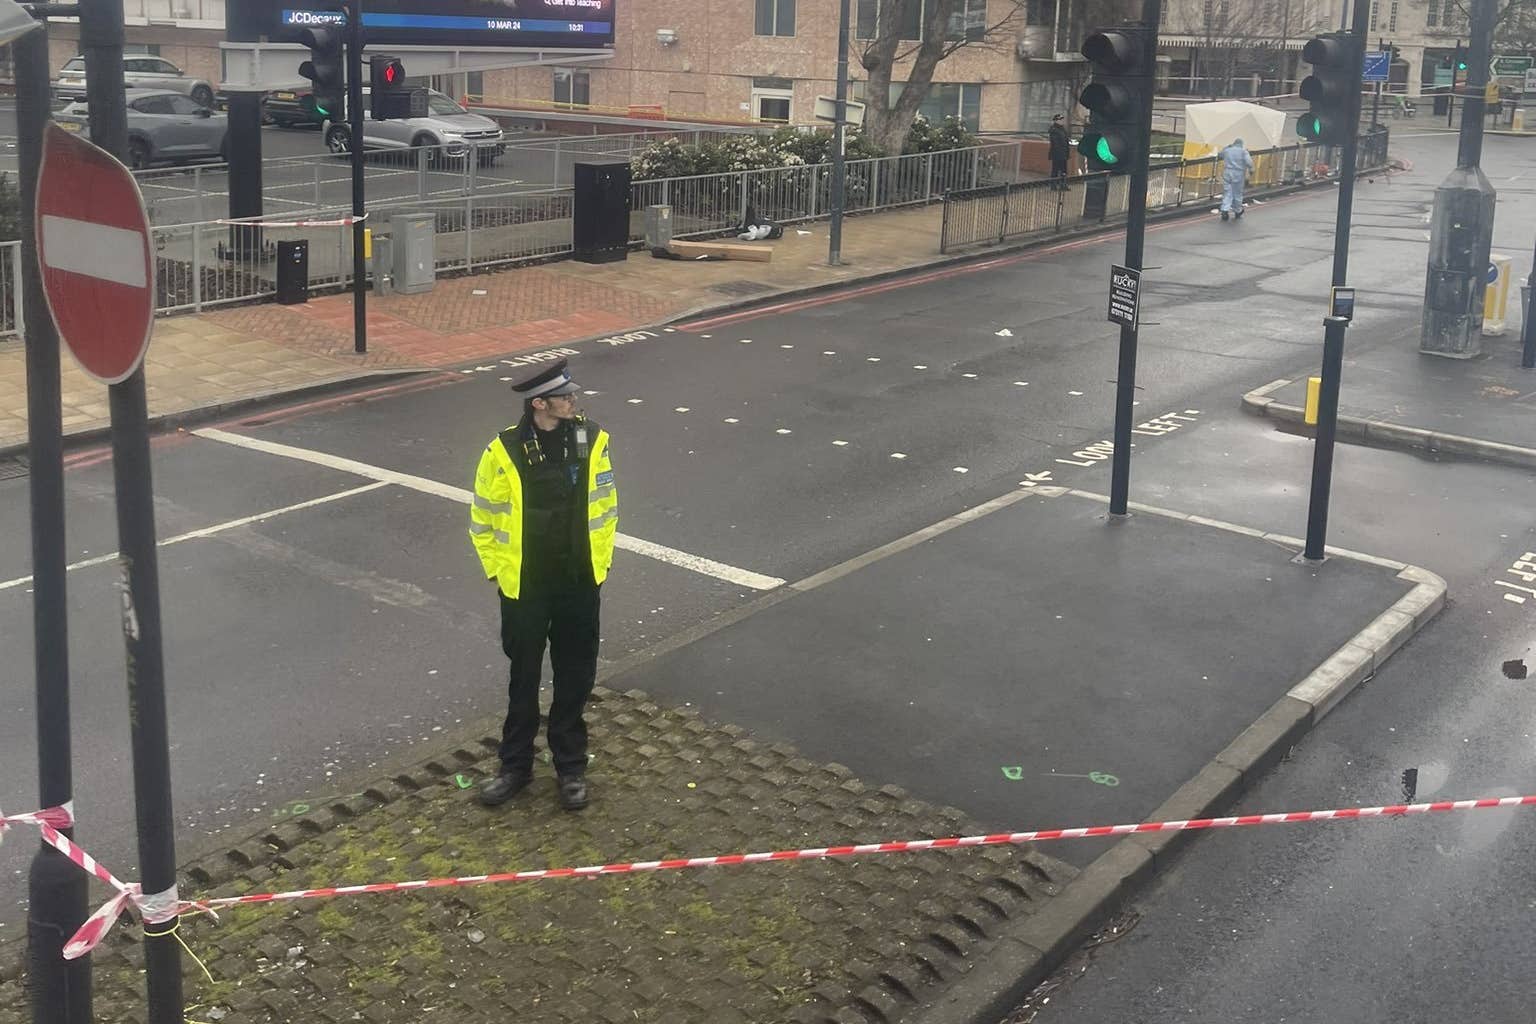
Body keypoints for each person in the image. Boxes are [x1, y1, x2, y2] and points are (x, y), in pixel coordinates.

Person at [468, 357, 618, 811]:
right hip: (526, 586)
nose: (573, 401)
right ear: (540, 404)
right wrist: (498, 570)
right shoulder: (503, 451)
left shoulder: (592, 439)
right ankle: (514, 767)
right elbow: (483, 517)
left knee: (576, 676)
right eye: (565, 396)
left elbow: (607, 505)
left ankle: (570, 767)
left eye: (572, 395)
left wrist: (600, 565)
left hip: (578, 582)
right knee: (524, 678)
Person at [1218, 137, 1254, 221]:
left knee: (1228, 192)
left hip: (1227, 172)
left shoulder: (1227, 150)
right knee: (1237, 193)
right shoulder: (1243, 152)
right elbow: (1249, 162)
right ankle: (1238, 210)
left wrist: (1227, 147)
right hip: (1238, 174)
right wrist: (1251, 170)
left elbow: (1220, 154)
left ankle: (1225, 209)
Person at [1048, 113, 1071, 191]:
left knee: (1064, 170)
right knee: (1055, 170)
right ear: (1056, 121)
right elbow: (1055, 143)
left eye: (1062, 119)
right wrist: (1060, 152)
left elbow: (1065, 141)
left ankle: (1063, 185)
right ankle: (1053, 185)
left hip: (1063, 153)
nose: (1062, 121)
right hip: (1057, 154)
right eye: (1060, 120)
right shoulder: (1054, 130)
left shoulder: (1062, 129)